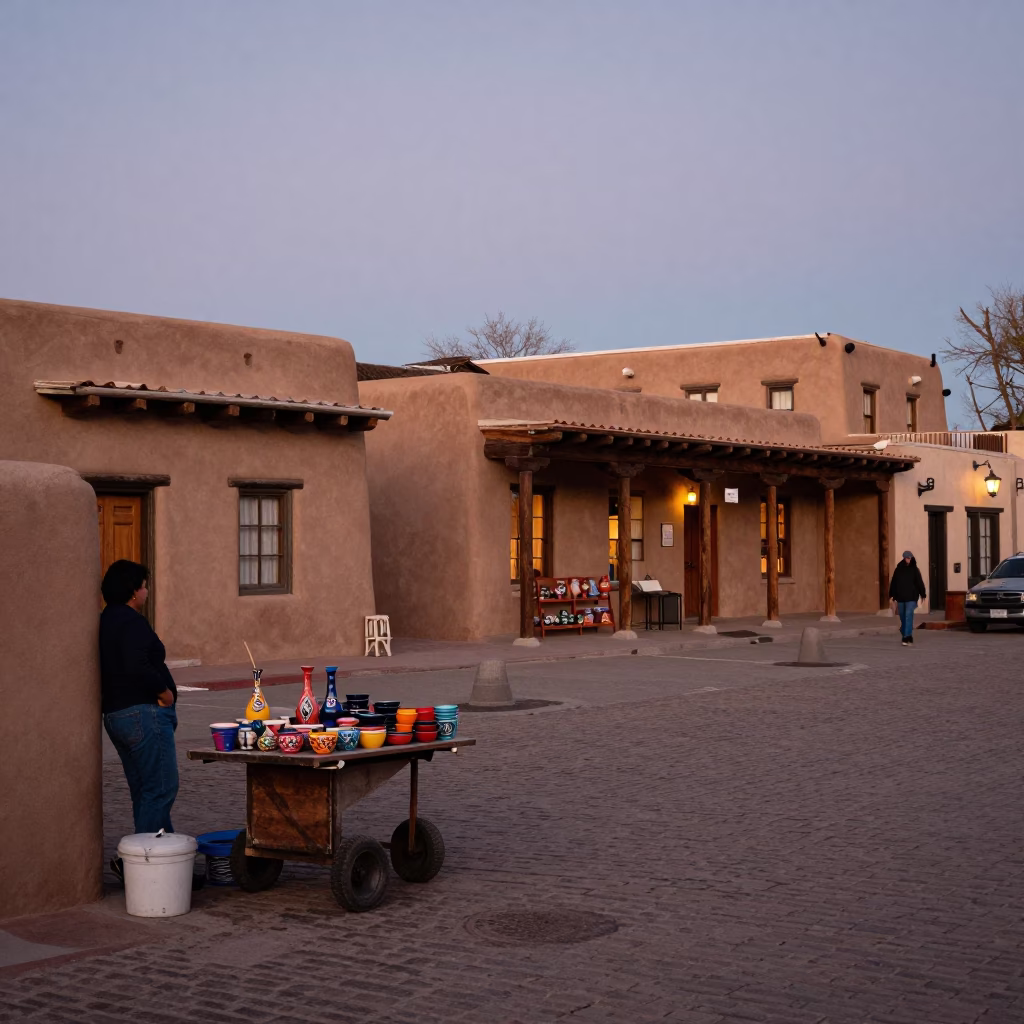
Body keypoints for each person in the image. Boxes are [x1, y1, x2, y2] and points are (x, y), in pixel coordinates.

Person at [100, 559, 179, 878]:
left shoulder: (108, 619)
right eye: (145, 586)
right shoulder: (131, 622)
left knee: (147, 792)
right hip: (142, 714)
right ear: (135, 591)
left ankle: (170, 863)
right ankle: (141, 866)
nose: (147, 591)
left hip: (118, 714)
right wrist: (165, 693)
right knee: (161, 789)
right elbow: (136, 664)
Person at [889, 550, 927, 646]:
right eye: (906, 558)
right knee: (902, 617)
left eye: (909, 558)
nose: (908, 559)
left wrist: (923, 594)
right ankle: (907, 633)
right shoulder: (898, 569)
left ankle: (906, 637)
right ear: (904, 558)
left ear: (911, 558)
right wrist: (891, 595)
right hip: (901, 597)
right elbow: (894, 582)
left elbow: (919, 582)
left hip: (911, 597)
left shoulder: (915, 570)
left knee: (908, 615)